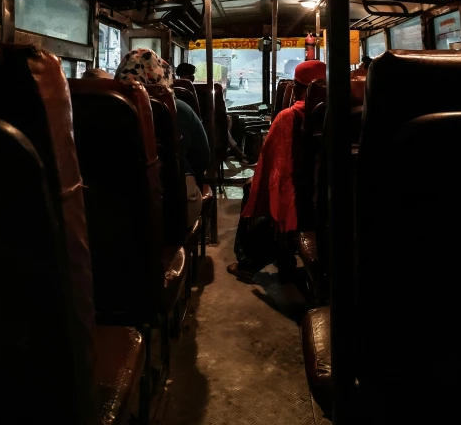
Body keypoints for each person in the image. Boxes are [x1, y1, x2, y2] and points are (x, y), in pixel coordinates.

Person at [227, 59, 327, 283]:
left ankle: (248, 264)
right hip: (328, 199)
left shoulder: (288, 118)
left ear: (297, 89)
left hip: (299, 199)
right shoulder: (344, 112)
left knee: (253, 191)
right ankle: (283, 260)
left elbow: (271, 168)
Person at [116, 49, 209, 227]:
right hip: (176, 205)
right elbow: (202, 156)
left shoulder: (110, 105)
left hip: (118, 207)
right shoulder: (179, 109)